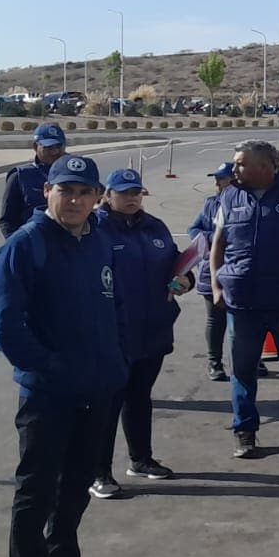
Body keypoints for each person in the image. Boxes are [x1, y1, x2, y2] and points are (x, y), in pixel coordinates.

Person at [0, 155, 125, 557]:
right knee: (37, 490)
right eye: (65, 190)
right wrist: (52, 368)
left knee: (76, 485)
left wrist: (117, 361)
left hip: (98, 387)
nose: (74, 200)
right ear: (47, 191)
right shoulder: (26, 246)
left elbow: (114, 307)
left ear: (97, 198)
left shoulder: (98, 241)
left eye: (84, 192)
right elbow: (6, 327)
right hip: (49, 393)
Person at [210, 139, 279, 459]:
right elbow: (217, 245)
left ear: (266, 166)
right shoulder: (229, 196)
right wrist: (218, 287)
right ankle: (244, 429)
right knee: (243, 370)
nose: (234, 169)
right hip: (242, 301)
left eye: (241, 163)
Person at [90, 169, 193, 497]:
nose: (132, 198)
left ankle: (141, 459)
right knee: (107, 405)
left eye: (136, 192)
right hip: (114, 333)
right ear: (107, 196)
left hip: (154, 329)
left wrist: (186, 281)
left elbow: (176, 264)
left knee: (139, 399)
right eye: (123, 192)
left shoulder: (156, 227)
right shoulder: (95, 229)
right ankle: (99, 472)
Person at [189, 163, 235, 383]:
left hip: (239, 269)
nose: (216, 183)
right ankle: (214, 362)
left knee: (246, 321)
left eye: (221, 178)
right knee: (215, 320)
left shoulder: (244, 201)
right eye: (215, 178)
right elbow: (193, 229)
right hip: (212, 270)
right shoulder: (210, 204)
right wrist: (211, 238)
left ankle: (251, 360)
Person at [1, 123, 66, 238]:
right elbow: (8, 220)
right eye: (49, 147)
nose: (55, 152)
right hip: (35, 245)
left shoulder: (76, 173)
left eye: (58, 146)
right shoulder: (20, 176)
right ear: (35, 147)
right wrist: (20, 247)